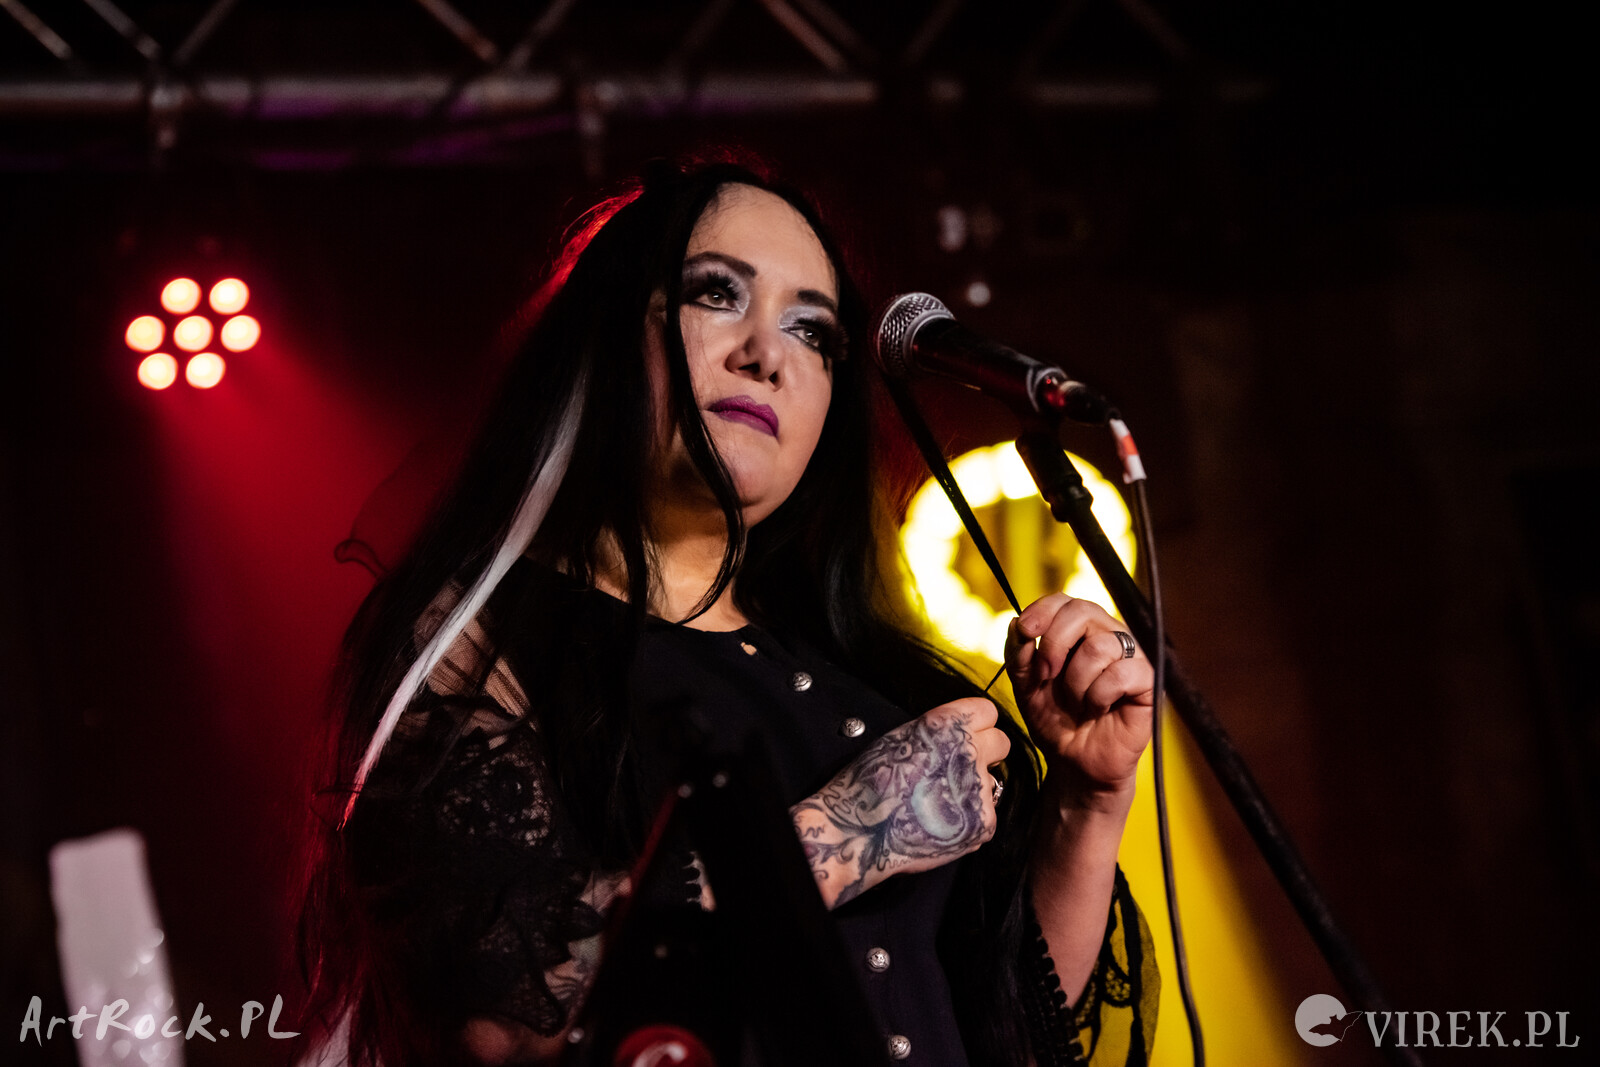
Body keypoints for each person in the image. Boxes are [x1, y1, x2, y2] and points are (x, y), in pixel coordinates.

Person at [293, 156, 1159, 1067]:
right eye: (716, 293)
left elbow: (1015, 1028)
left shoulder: (858, 669)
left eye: (811, 331)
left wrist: (1089, 801)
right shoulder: (481, 634)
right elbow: (513, 1010)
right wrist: (857, 827)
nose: (766, 354)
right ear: (606, 333)